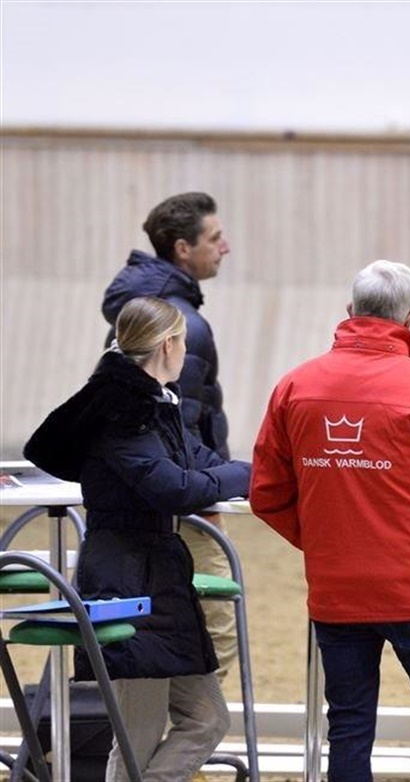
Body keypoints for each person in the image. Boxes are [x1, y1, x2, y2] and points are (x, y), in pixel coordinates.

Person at [250, 260, 410, 782]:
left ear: (351, 310)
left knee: (349, 728)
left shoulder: (295, 386)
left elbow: (267, 493)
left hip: (337, 591)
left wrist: (327, 542)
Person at [23, 297, 250, 782]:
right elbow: (175, 488)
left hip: (157, 574)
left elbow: (198, 462)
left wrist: (252, 473)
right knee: (137, 737)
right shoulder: (125, 412)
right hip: (129, 580)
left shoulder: (155, 404)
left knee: (207, 719)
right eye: (182, 342)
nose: (185, 351)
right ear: (168, 345)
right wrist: (247, 476)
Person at [101, 191, 240, 684]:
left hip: (141, 499)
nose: (225, 247)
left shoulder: (137, 312)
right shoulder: (184, 327)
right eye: (215, 238)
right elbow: (183, 424)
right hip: (183, 503)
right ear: (183, 248)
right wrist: (211, 493)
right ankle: (199, 726)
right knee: (216, 625)